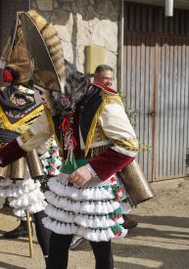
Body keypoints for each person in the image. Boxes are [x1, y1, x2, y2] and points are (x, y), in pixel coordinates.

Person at [0, 59, 140, 269]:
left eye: (44, 91)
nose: (40, 97)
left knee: (100, 244)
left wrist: (90, 169)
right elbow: (29, 137)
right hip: (65, 181)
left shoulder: (103, 100)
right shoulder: (55, 106)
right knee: (58, 240)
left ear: (61, 87)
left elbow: (129, 145)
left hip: (96, 184)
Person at [0, 69, 59, 267]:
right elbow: (44, 138)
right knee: (37, 207)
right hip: (27, 153)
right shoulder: (39, 98)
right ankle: (49, 259)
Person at [69, 64, 137, 250]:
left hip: (108, 157)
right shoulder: (87, 96)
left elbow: (127, 142)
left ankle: (116, 220)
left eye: (110, 79)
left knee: (108, 201)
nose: (108, 81)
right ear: (95, 77)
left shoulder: (109, 98)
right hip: (89, 159)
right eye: (105, 78)